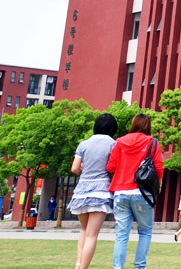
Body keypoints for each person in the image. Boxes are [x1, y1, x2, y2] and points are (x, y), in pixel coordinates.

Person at [107, 114, 162, 269]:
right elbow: (158, 168)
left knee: (121, 236)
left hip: (121, 192)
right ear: (148, 125)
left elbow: (110, 167)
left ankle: (117, 267)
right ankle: (140, 266)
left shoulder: (119, 142)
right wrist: (158, 187)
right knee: (145, 232)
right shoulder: (152, 142)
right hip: (143, 193)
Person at [68, 112, 117, 269]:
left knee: (84, 231)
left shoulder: (84, 144)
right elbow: (113, 167)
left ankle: (78, 264)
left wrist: (84, 171)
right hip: (100, 190)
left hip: (82, 190)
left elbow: (75, 168)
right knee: (92, 234)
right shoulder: (113, 144)